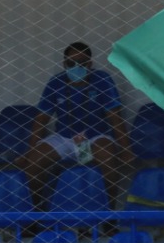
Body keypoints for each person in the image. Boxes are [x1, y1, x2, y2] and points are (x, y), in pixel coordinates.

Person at [19, 42, 131, 210]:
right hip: (64, 137)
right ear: (64, 64)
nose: (76, 67)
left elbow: (115, 117)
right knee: (34, 161)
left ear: (90, 64)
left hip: (95, 136)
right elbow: (42, 118)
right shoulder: (56, 82)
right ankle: (36, 212)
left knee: (108, 158)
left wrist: (126, 149)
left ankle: (108, 213)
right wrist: (29, 151)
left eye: (82, 63)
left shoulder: (102, 79)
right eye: (71, 63)